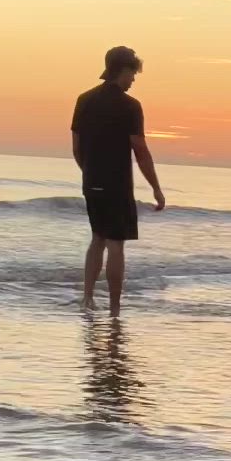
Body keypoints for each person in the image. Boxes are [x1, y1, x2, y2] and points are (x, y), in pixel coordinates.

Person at [71, 46, 165, 314]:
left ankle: (87, 298)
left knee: (97, 239)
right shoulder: (130, 106)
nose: (133, 79)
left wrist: (88, 172)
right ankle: (114, 307)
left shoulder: (84, 99)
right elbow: (141, 150)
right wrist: (156, 188)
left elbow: (76, 146)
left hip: (91, 182)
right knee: (115, 245)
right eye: (132, 73)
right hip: (117, 184)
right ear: (122, 70)